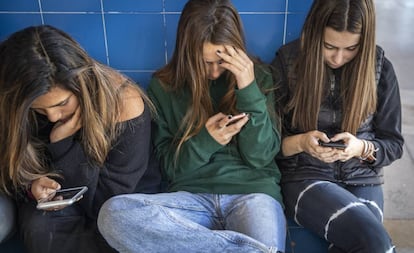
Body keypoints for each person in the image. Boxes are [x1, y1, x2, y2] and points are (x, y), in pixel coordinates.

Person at [97, 0, 286, 252]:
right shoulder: (163, 88)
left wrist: (247, 87)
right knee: (113, 214)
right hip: (189, 200)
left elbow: (260, 157)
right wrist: (207, 139)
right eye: (206, 62)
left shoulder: (259, 77)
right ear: (188, 52)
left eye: (223, 61)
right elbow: (170, 169)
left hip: (254, 195)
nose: (215, 72)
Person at [0, 25, 161, 253]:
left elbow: (106, 204)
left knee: (117, 230)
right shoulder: (22, 108)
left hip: (120, 199)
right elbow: (13, 171)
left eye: (62, 103)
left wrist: (62, 144)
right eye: (40, 110)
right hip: (63, 197)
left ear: (81, 83)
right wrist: (32, 185)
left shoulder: (124, 104)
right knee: (39, 227)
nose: (53, 116)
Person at [271, 0, 404, 252]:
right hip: (305, 177)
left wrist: (361, 148)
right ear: (314, 34)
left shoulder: (380, 67)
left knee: (368, 242)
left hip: (364, 179)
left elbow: (393, 145)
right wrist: (301, 142)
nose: (338, 58)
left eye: (351, 48)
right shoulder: (287, 62)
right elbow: (264, 145)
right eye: (329, 46)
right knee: (374, 241)